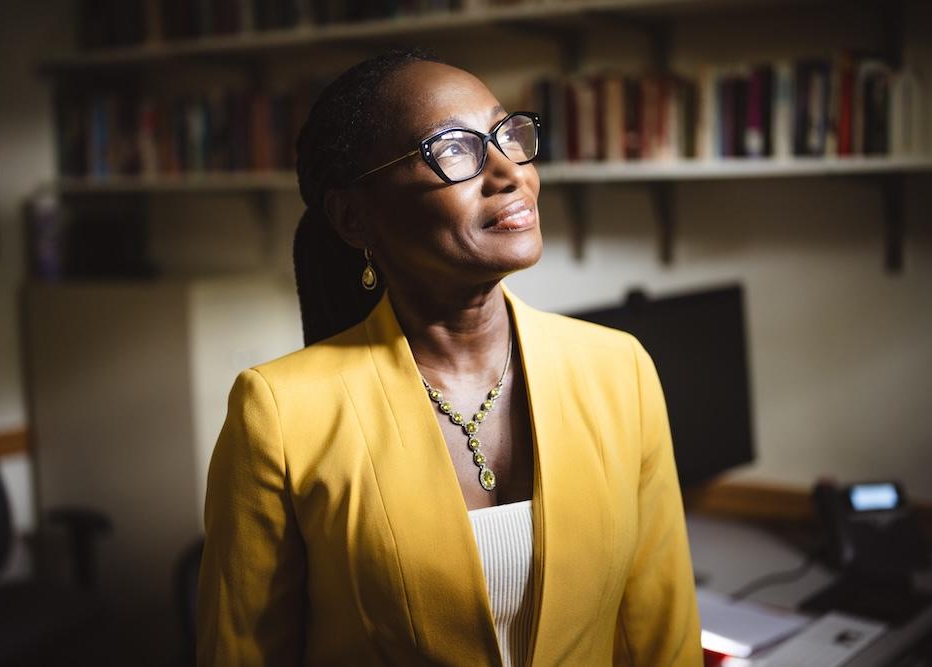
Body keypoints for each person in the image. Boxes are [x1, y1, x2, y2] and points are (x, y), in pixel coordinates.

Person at [196, 48, 703, 666]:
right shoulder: (277, 414)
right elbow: (243, 654)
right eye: (455, 149)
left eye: (505, 134)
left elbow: (662, 634)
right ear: (355, 217)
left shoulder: (618, 369)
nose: (509, 170)